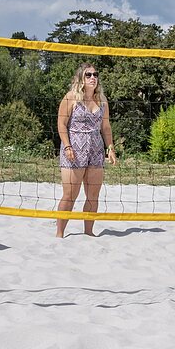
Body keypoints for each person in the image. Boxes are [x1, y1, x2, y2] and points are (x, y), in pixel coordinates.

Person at [56, 62, 117, 238]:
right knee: (70, 195)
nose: (93, 78)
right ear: (81, 78)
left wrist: (110, 148)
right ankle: (59, 234)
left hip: (96, 150)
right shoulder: (71, 97)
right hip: (74, 149)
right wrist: (67, 146)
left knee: (93, 196)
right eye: (88, 75)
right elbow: (61, 124)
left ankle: (89, 233)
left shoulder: (102, 100)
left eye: (95, 75)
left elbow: (106, 127)